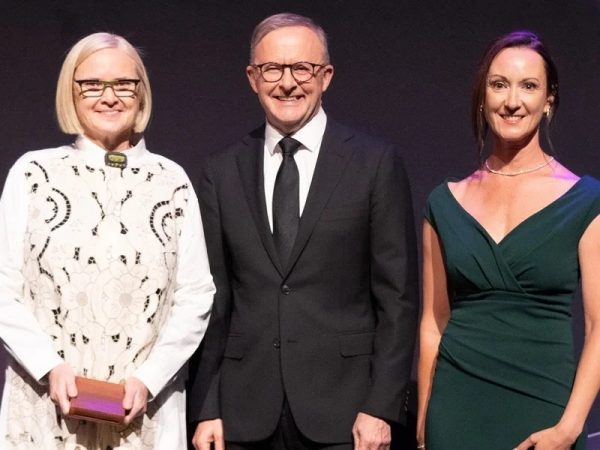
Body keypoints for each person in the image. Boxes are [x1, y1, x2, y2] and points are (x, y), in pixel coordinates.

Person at [189, 12, 418, 450]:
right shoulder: (222, 171)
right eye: (273, 69)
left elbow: (397, 299)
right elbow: (214, 301)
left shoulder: (373, 163)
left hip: (347, 415)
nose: (287, 83)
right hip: (244, 414)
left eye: (303, 69)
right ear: (253, 78)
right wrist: (207, 407)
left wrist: (382, 406)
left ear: (326, 76)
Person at [0, 32, 215, 449]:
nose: (109, 96)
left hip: (144, 412)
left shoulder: (171, 182)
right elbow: (2, 286)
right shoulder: (33, 174)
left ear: (141, 92)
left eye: (123, 84)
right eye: (92, 85)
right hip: (45, 409)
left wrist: (150, 379)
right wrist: (49, 368)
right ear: (71, 92)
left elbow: (196, 295)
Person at [417, 30, 600, 449]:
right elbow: (433, 323)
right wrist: (426, 425)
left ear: (549, 99)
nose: (512, 101)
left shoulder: (586, 199)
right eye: (499, 85)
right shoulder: (445, 203)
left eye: (529, 86)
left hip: (545, 412)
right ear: (483, 98)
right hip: (456, 409)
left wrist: (569, 428)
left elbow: (599, 325)